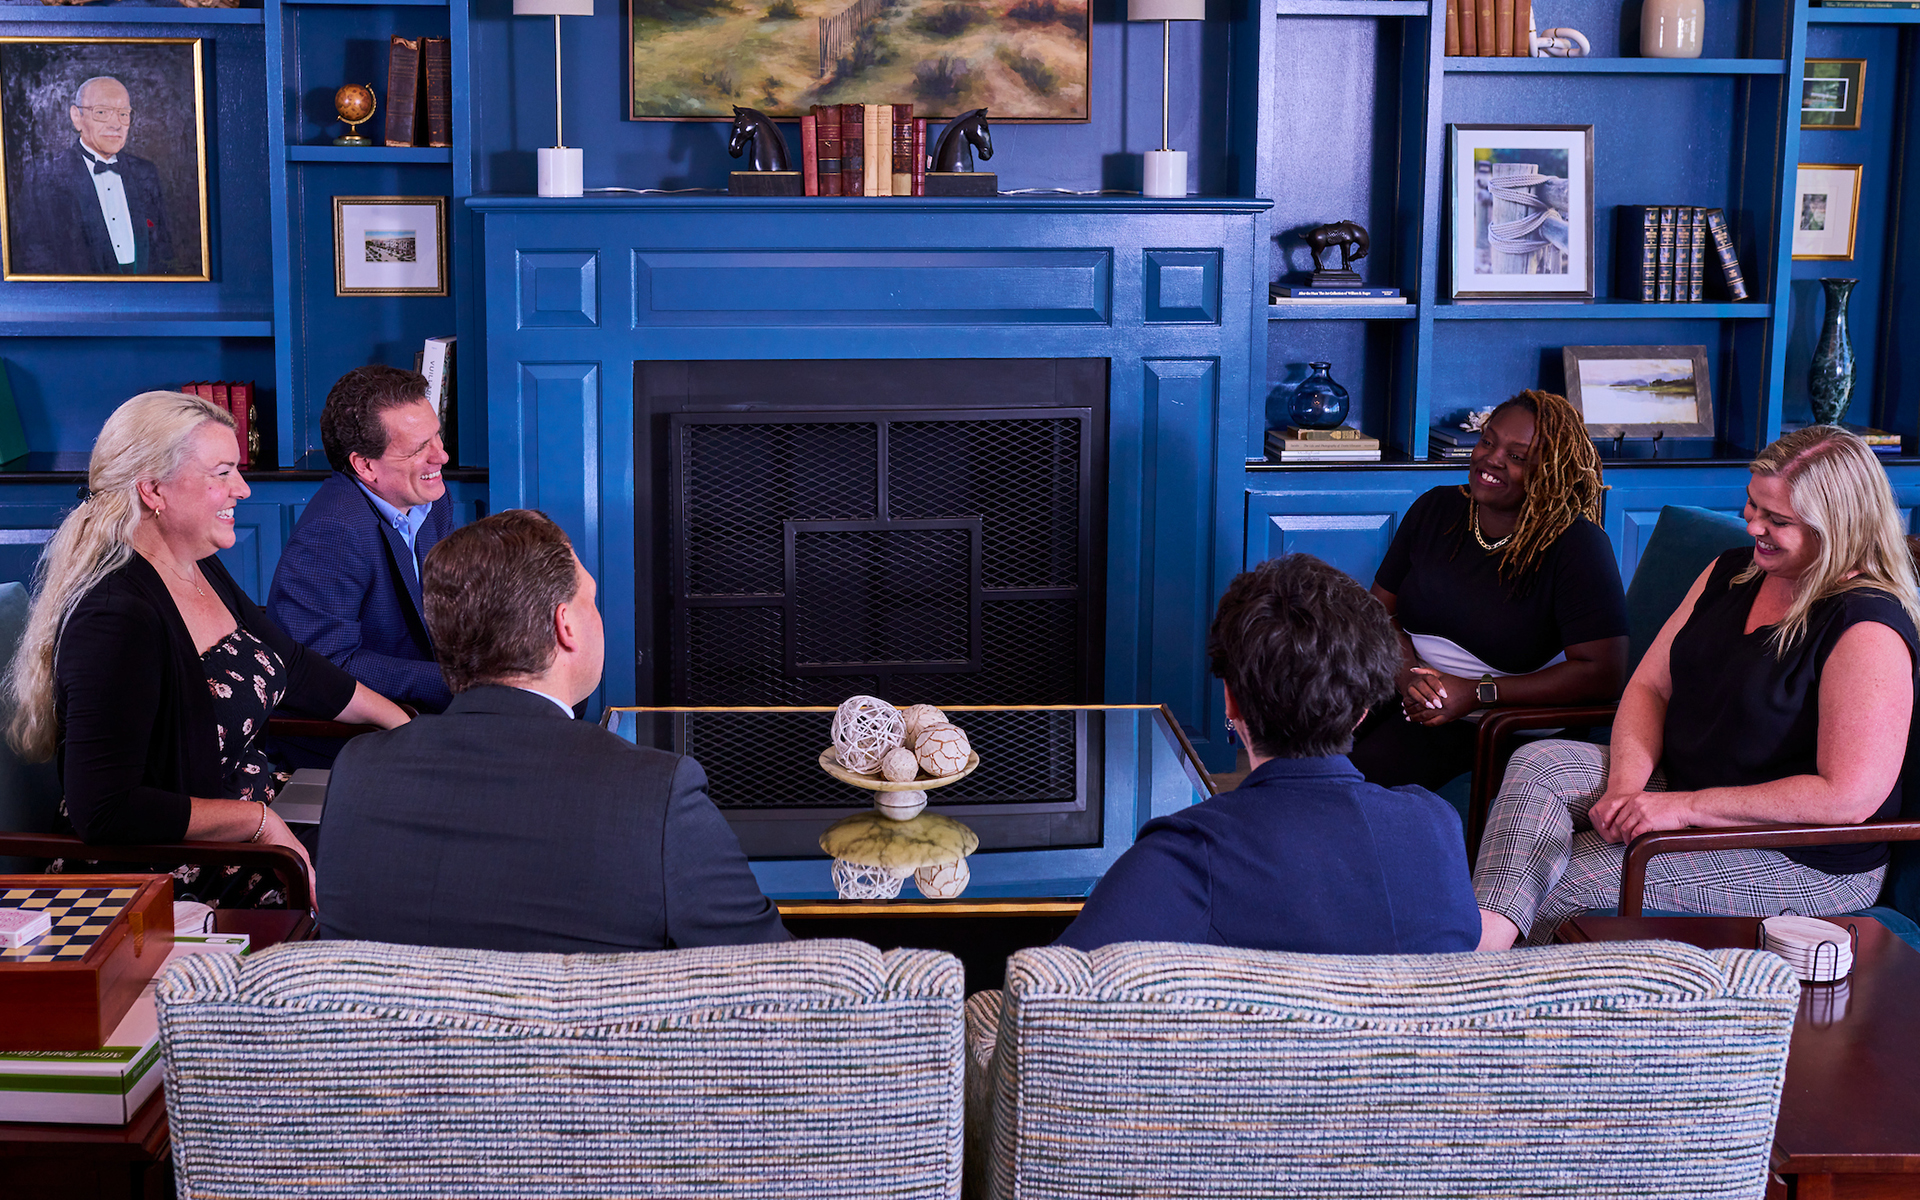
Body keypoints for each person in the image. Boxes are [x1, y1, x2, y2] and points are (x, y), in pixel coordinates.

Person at [1475, 426, 1919, 948]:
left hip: (1800, 853)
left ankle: (1486, 978)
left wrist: (1684, 809)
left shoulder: (1867, 628)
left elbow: (1846, 797)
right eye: (1752, 504)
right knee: (1539, 764)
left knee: (1565, 881)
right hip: (1689, 782)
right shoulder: (1731, 571)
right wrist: (1625, 790)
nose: (1752, 525)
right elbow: (1650, 687)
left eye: (1777, 520)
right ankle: (1479, 950)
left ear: (1838, 528)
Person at [317, 509, 789, 952]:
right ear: (565, 625)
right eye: (591, 601)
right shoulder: (660, 794)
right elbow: (778, 979)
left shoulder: (358, 772)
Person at [4, 392, 409, 907]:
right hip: (166, 871)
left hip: (250, 822)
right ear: (153, 489)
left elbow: (292, 665)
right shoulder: (114, 618)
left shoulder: (196, 565)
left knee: (408, 835)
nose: (242, 488)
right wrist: (259, 823)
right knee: (394, 880)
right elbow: (106, 811)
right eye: (222, 473)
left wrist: (404, 727)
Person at [1055, 553, 1480, 953]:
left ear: (1231, 702)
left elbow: (1055, 988)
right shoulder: (1436, 828)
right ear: (1363, 712)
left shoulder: (1188, 853)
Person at [1349, 390, 1629, 793]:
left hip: (1505, 723)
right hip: (1411, 694)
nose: (1491, 459)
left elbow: (1602, 674)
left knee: (1360, 778)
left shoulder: (1577, 546)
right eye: (1487, 441)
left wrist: (1477, 693)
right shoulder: (1436, 509)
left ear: (1550, 469)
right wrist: (1407, 675)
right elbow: (1378, 612)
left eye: (1517, 456)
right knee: (1304, 751)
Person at [267, 365, 457, 718]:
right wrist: (454, 683)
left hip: (421, 707)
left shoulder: (431, 500)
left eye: (437, 436)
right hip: (356, 731)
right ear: (365, 466)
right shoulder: (333, 532)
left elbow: (446, 606)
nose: (441, 456)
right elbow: (325, 665)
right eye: (419, 448)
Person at [13, 77, 177, 277]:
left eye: (123, 114)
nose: (116, 124)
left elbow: (163, 251)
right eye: (102, 112)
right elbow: (35, 259)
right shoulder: (44, 177)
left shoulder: (145, 172)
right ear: (77, 117)